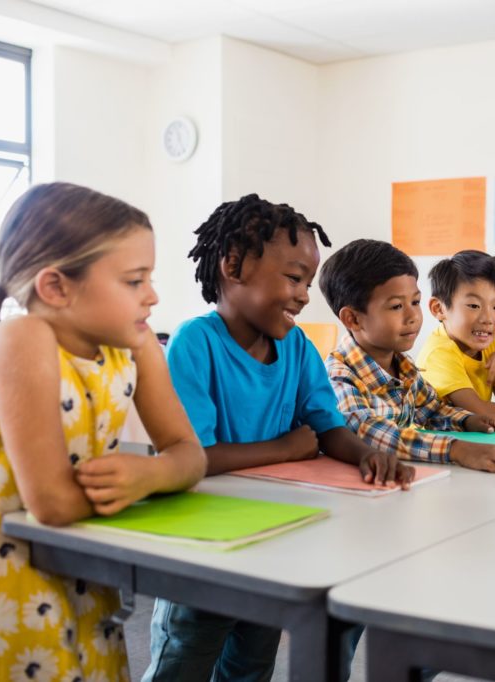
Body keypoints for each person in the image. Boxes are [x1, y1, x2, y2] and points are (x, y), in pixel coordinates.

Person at [144, 196, 412, 682]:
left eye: (308, 283)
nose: (304, 294)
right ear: (232, 265)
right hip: (205, 544)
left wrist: (368, 454)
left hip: (273, 537)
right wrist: (284, 449)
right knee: (184, 660)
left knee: (251, 665)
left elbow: (327, 427)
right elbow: (193, 457)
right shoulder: (195, 342)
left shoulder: (297, 347)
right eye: (293, 278)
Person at [0, 182, 206, 680]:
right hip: (3, 578)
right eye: (135, 280)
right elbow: (50, 503)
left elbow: (190, 454)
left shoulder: (136, 347)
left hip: (85, 566)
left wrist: (150, 474)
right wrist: (152, 478)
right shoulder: (21, 339)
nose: (153, 296)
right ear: (56, 288)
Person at [319, 239, 495, 474]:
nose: (413, 316)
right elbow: (368, 432)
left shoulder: (403, 365)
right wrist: (456, 449)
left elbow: (431, 410)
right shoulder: (339, 376)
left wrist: (466, 420)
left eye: (415, 302)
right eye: (396, 306)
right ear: (353, 319)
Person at [417, 250, 495, 418]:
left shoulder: (486, 342)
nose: (488, 319)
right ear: (439, 309)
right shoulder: (439, 352)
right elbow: (476, 412)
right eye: (474, 306)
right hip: (433, 441)